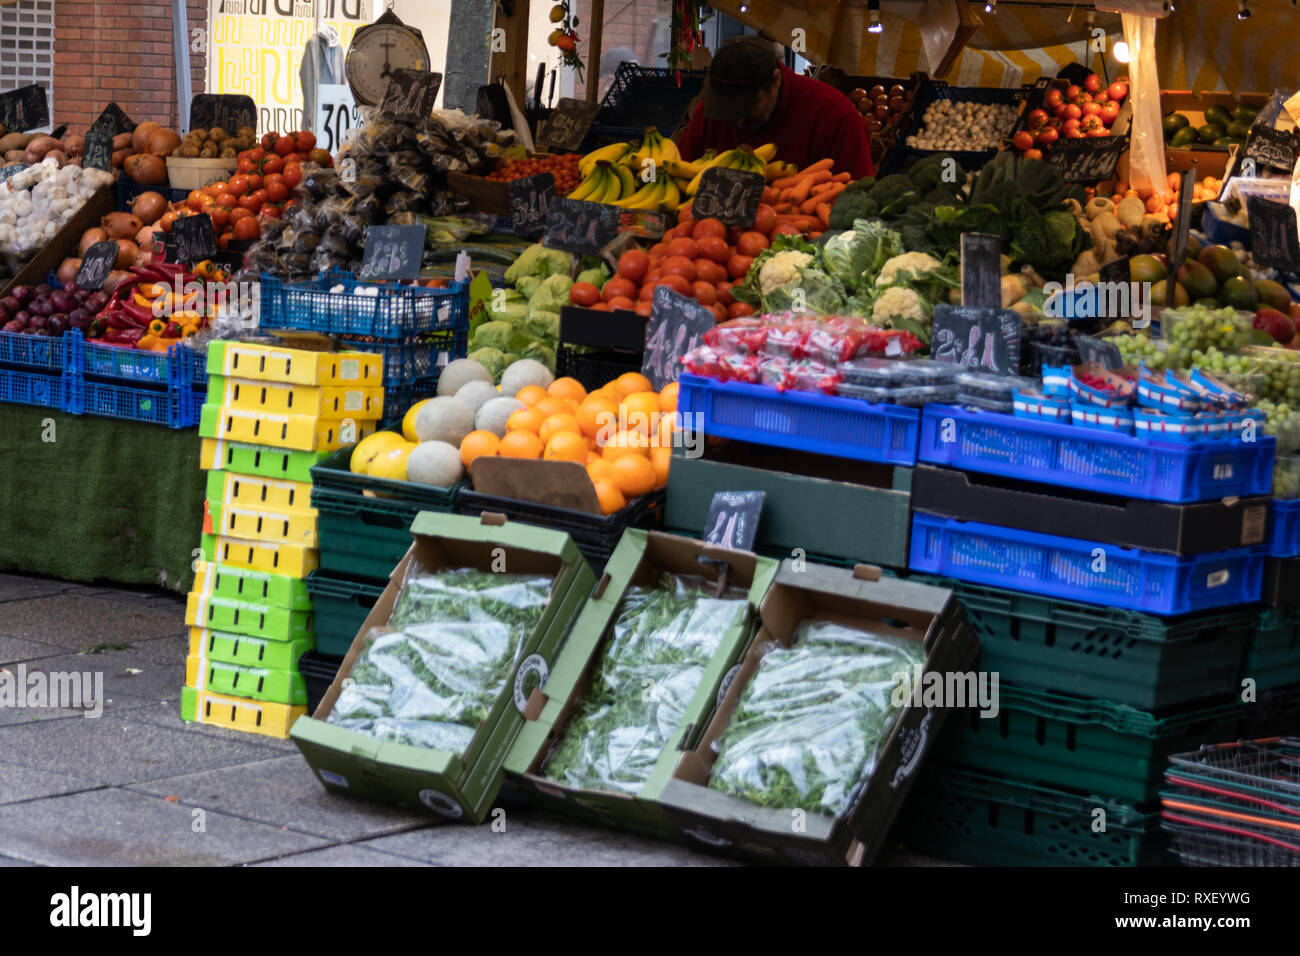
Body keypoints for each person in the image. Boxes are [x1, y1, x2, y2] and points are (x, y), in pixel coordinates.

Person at [676, 35, 873, 179]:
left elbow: (858, 195)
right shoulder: (709, 114)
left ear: (775, 80)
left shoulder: (835, 116)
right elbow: (683, 174)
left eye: (746, 105)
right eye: (727, 108)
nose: (738, 119)